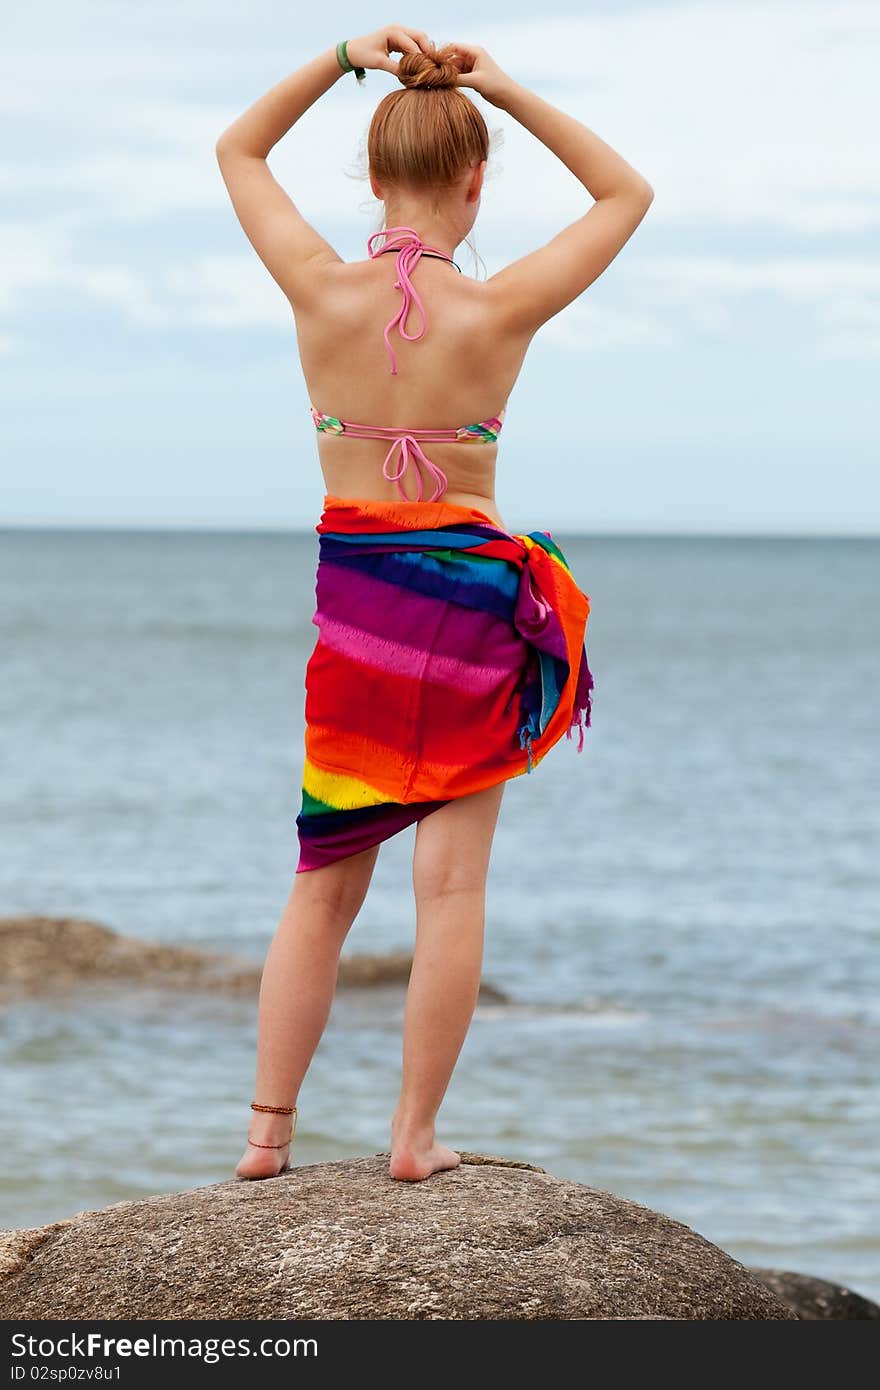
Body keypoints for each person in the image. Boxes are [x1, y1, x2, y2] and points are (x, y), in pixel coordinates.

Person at [215, 25, 653, 1183]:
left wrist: (337, 57)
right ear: (475, 178)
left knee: (323, 882)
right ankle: (412, 1139)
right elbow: (626, 190)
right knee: (450, 885)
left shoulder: (315, 289)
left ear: (370, 179)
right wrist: (505, 88)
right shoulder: (500, 309)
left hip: (356, 614)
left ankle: (267, 1136)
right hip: (465, 608)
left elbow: (239, 152)